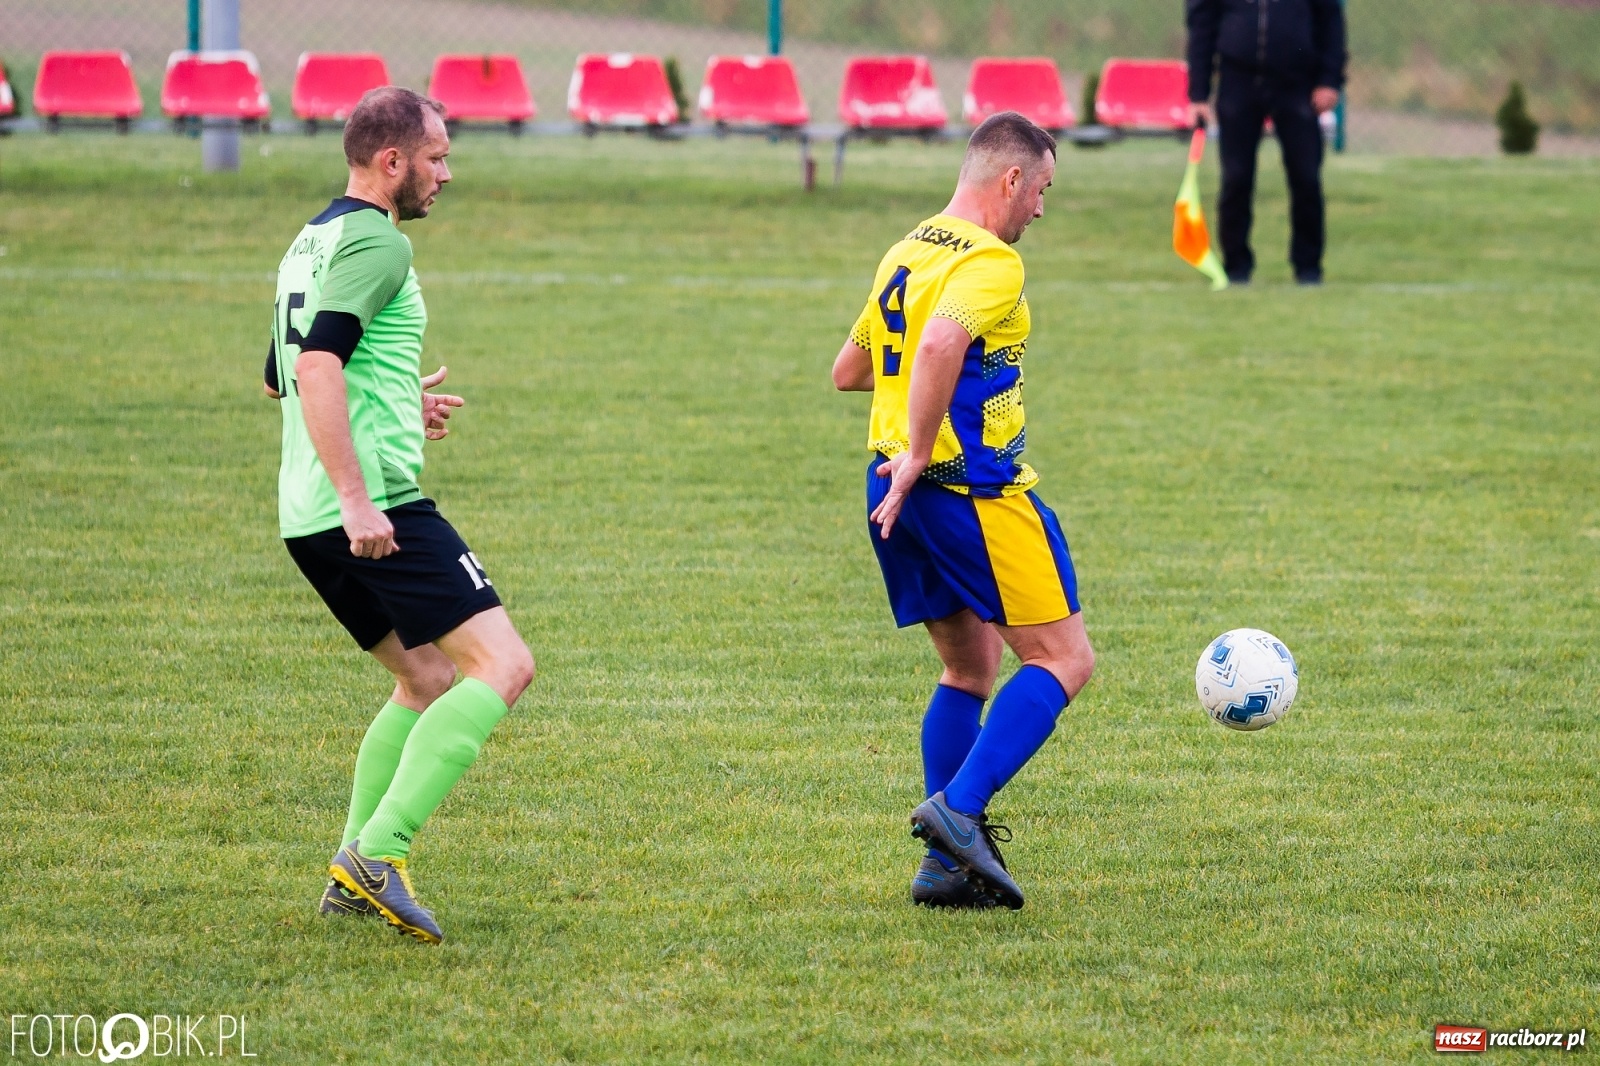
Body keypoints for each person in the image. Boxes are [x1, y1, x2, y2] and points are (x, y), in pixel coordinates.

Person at [263, 86, 534, 944]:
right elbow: (312, 370)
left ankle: (352, 870)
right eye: (437, 156)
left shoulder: (313, 240)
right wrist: (357, 497)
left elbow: (281, 372)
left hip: (305, 512)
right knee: (504, 666)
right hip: (369, 505)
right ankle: (379, 854)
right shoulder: (376, 243)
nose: (445, 173)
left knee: (423, 679)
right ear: (392, 161)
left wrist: (390, 398)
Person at [831, 112, 1095, 911]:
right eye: (1042, 189)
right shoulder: (992, 260)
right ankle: (958, 809)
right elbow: (943, 344)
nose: (1041, 210)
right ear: (1010, 179)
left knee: (967, 669)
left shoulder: (909, 246)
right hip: (961, 490)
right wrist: (923, 447)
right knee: (1063, 660)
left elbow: (849, 369)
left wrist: (903, 451)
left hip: (892, 492)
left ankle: (946, 868)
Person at [1186, 0, 1348, 285]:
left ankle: (1308, 267)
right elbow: (1202, 26)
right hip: (1238, 81)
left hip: (1297, 83)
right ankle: (1236, 266)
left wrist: (1329, 80)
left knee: (1306, 177)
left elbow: (1331, 22)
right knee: (1236, 178)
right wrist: (1198, 93)